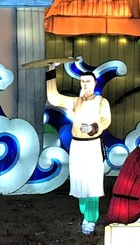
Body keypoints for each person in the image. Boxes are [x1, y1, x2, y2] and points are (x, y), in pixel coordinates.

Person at [46, 65, 111, 234]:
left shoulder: (101, 102)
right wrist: (50, 71)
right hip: (77, 146)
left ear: (94, 83)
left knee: (92, 183)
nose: (85, 84)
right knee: (79, 181)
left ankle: (91, 218)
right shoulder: (76, 101)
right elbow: (54, 98)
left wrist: (93, 127)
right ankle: (85, 213)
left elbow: (105, 120)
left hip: (92, 145)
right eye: (82, 81)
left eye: (88, 81)